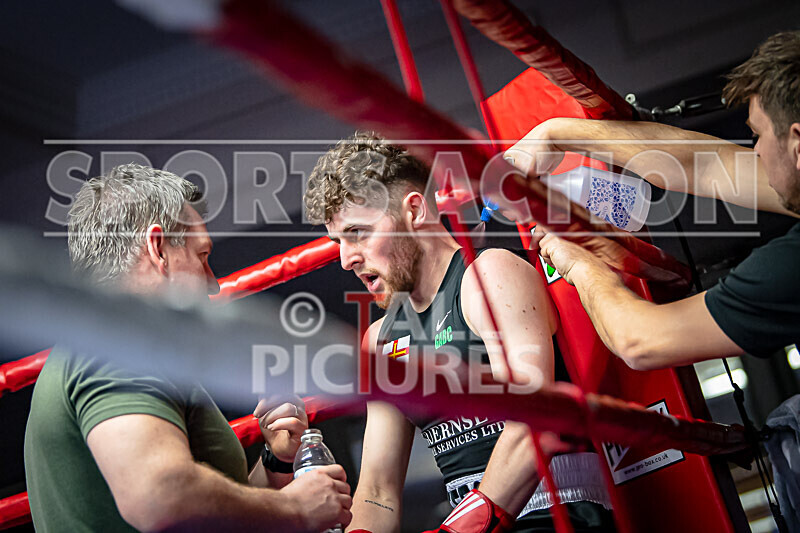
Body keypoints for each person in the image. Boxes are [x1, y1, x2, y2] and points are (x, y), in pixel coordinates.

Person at [304, 134, 614, 532]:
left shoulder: (488, 277)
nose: (346, 259)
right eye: (338, 242)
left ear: (414, 210)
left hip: (556, 513)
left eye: (358, 233)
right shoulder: (382, 339)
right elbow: (378, 491)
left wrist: (465, 526)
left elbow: (535, 422)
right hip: (472, 520)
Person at [24, 164, 352, 532]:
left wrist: (275, 462)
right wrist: (296, 508)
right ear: (158, 247)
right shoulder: (120, 347)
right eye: (202, 257)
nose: (213, 285)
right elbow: (159, 496)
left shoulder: (114, 346)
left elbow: (209, 517)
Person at [503, 31, 800, 371]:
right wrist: (556, 135)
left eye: (758, 136)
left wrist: (581, 263)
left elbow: (641, 341)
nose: (755, 150)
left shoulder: (792, 267)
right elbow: (704, 165)